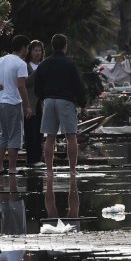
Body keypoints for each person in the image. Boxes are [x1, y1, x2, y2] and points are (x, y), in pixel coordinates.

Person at [33, 33, 87, 179]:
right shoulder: (70, 63)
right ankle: (72, 170)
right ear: (65, 46)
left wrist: (44, 98)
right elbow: (79, 86)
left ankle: (49, 171)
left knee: (50, 137)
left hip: (49, 101)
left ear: (52, 46)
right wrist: (82, 103)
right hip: (66, 101)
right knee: (71, 136)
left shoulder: (43, 64)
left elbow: (37, 87)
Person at [0, 34, 31, 174]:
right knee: (15, 135)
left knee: (4, 134)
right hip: (13, 102)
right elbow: (21, 86)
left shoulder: (2, 60)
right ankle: (12, 168)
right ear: (23, 48)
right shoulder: (21, 64)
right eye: (27, 48)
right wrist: (27, 106)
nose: (28, 51)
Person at [23, 40, 45, 167]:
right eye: (35, 50)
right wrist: (38, 72)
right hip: (29, 103)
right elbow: (25, 83)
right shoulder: (25, 66)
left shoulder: (44, 65)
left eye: (39, 50)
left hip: (42, 103)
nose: (37, 53)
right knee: (30, 130)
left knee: (40, 131)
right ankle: (31, 158)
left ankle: (38, 157)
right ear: (30, 52)